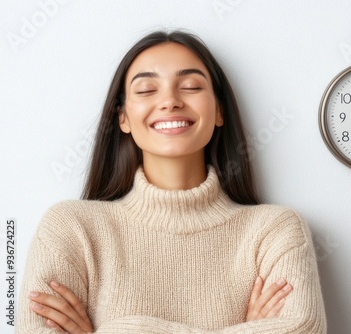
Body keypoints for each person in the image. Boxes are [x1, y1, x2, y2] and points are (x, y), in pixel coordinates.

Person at [17, 30, 327, 333]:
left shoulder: (274, 231)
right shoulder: (71, 228)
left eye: (190, 86)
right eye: (146, 90)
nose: (170, 101)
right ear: (122, 117)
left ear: (219, 110)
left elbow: (302, 328)